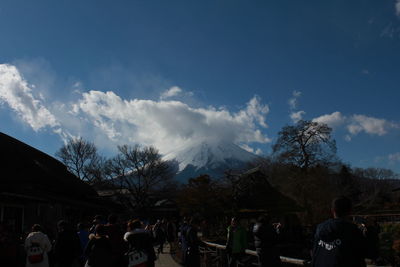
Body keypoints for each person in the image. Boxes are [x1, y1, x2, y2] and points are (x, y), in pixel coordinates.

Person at [312, 197, 375, 267]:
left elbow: (315, 254)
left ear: (332, 210)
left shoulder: (320, 228)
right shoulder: (352, 231)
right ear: (350, 211)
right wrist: (371, 229)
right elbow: (371, 253)